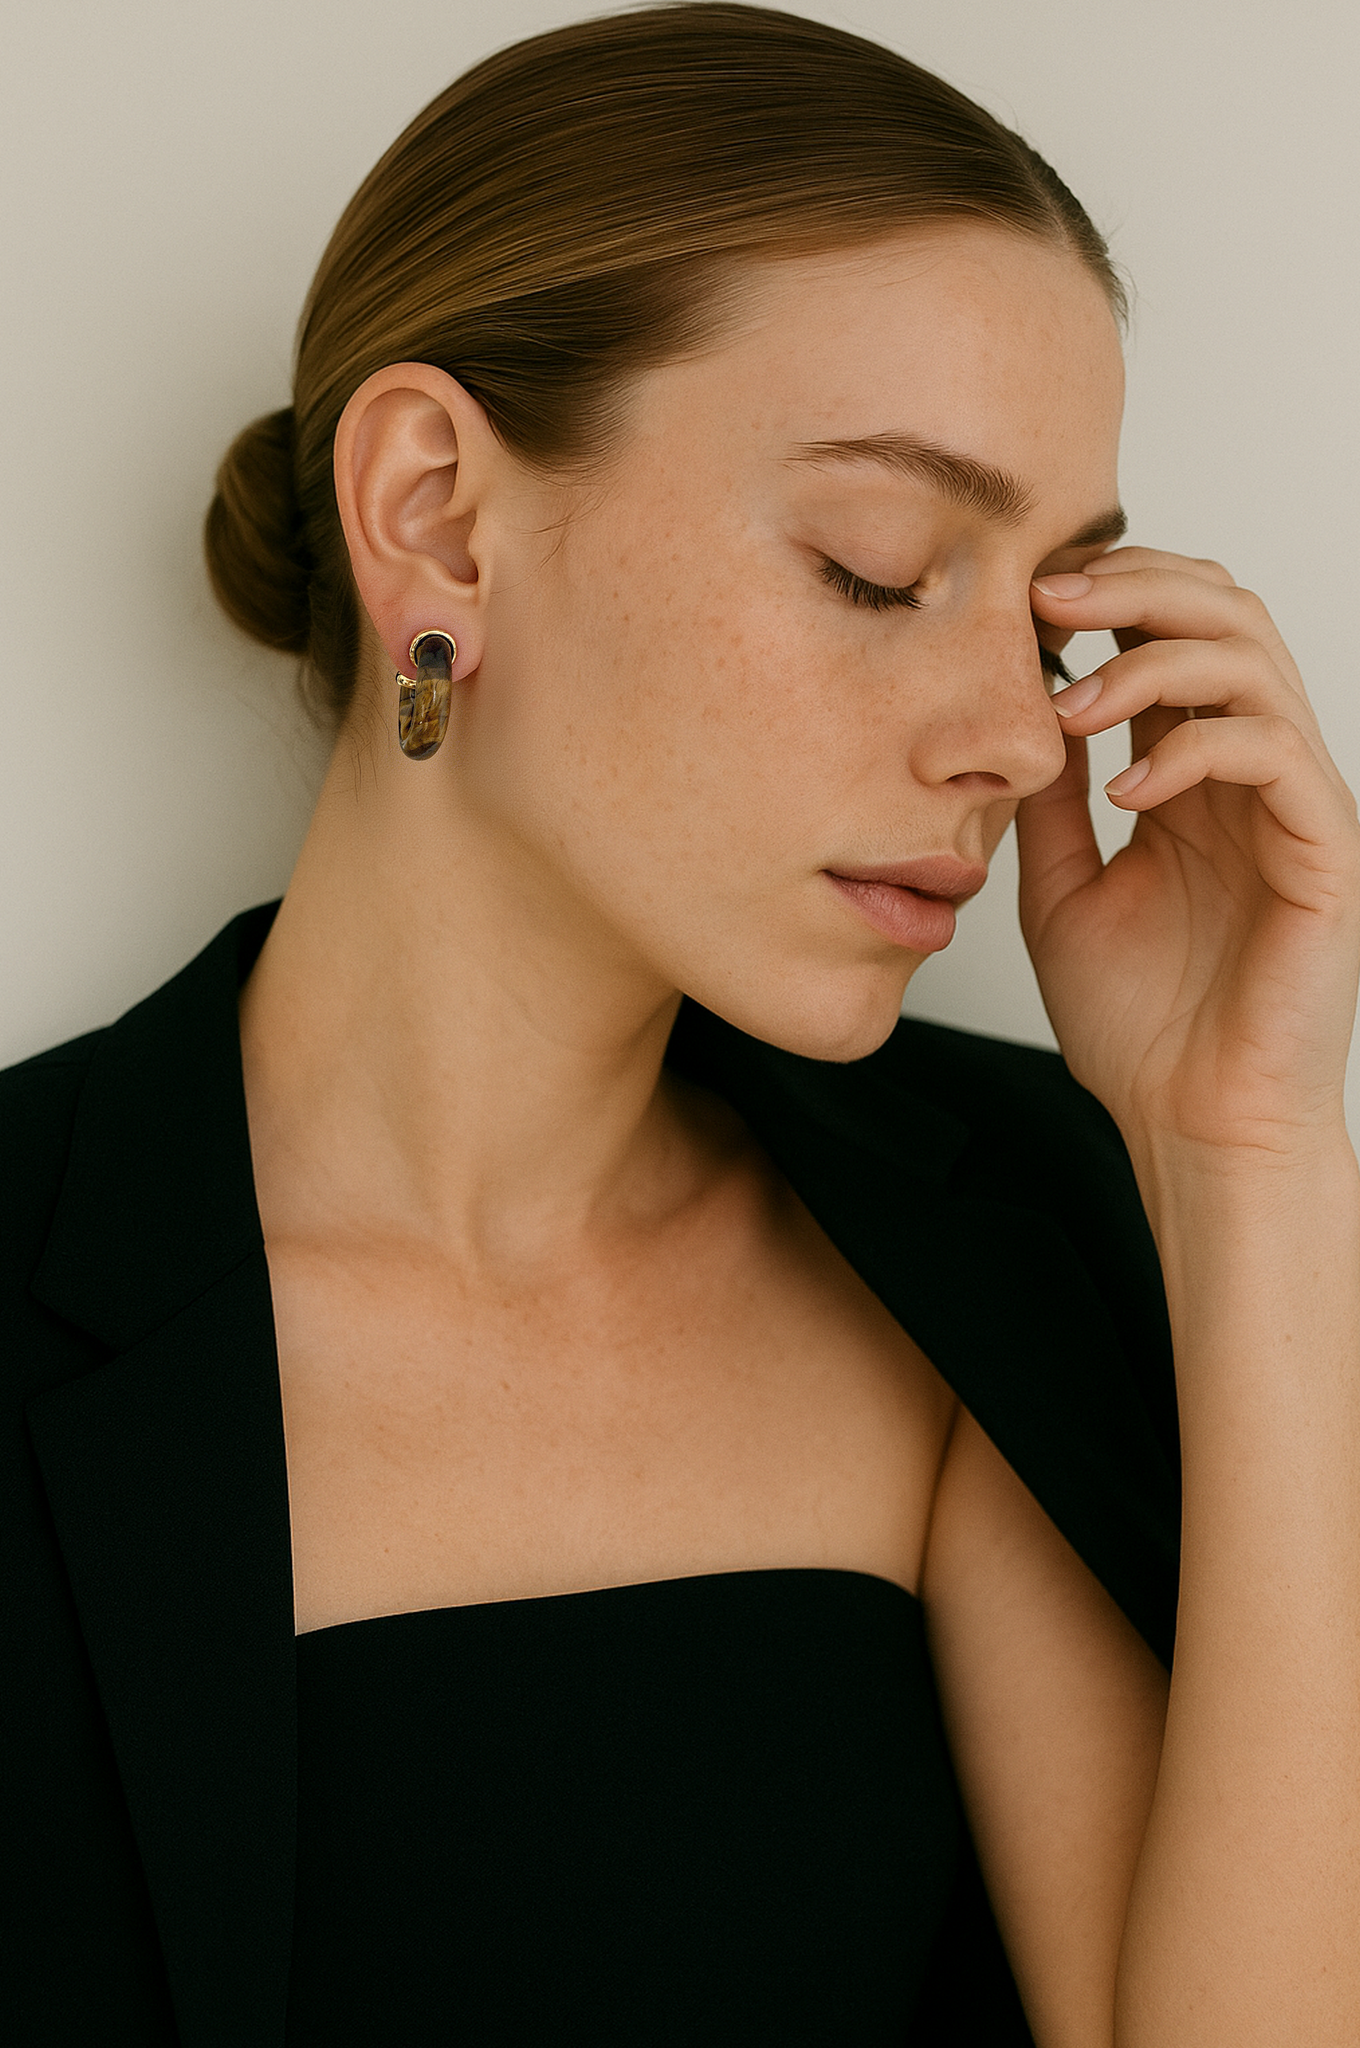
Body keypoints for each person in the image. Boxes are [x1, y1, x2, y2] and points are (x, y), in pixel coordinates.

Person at [4, 4, 1357, 2042]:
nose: (1010, 738)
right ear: (439, 516)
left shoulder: (987, 1238)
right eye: (880, 565)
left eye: (1048, 610)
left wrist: (1240, 1149)